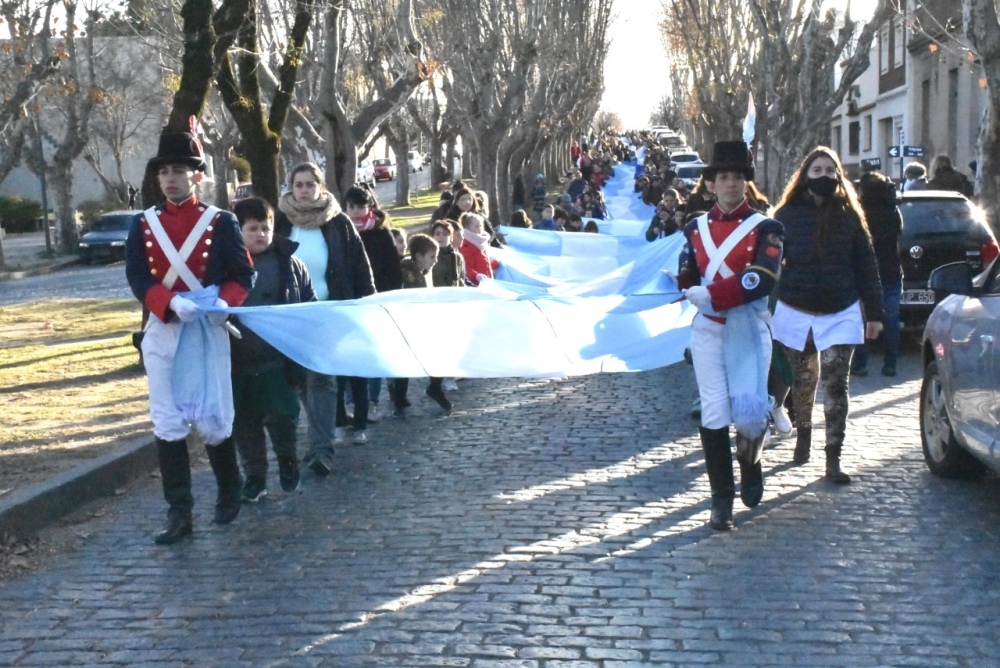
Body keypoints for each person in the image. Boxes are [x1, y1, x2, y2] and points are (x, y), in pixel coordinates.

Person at [125, 124, 255, 544]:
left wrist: (224, 305)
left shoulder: (221, 222)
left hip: (204, 329)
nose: (169, 178)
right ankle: (180, 513)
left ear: (195, 176)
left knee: (214, 417)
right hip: (163, 329)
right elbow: (138, 276)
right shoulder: (143, 224)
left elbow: (242, 274)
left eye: (178, 170)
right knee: (167, 421)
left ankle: (229, 490)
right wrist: (165, 302)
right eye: (164, 172)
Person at [675, 140, 784, 531]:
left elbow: (763, 278)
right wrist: (679, 285)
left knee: (749, 412)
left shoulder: (767, 228)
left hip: (748, 330)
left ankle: (751, 465)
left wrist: (714, 294)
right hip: (708, 331)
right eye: (724, 177)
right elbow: (688, 272)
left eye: (738, 177)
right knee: (715, 410)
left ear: (746, 183)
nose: (731, 184)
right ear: (711, 184)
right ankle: (721, 499)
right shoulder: (694, 229)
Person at [771, 146, 884, 485]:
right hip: (796, 309)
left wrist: (875, 313)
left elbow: (867, 265)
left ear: (838, 176)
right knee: (803, 382)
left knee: (837, 384)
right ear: (805, 175)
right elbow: (770, 264)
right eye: (816, 170)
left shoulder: (850, 215)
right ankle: (803, 432)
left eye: (829, 171)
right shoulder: (786, 216)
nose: (823, 176)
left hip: (841, 309)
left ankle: (833, 456)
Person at [275, 162, 376, 473]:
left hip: (330, 311)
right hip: (290, 316)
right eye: (299, 184)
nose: (304, 190)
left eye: (310, 184)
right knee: (300, 382)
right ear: (291, 187)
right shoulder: (279, 222)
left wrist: (367, 303)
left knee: (323, 380)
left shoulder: (338, 222)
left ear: (321, 187)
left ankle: (322, 449)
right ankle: (313, 441)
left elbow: (359, 265)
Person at [230, 198, 315, 502]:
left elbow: (309, 304)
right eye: (252, 229)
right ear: (237, 231)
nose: (261, 234)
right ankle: (254, 477)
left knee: (282, 417)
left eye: (266, 228)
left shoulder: (288, 265)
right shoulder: (226, 267)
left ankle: (288, 463)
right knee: (245, 423)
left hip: (276, 362)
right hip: (237, 363)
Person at [346, 186, 402, 424]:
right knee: (350, 353)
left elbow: (393, 269)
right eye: (352, 207)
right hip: (349, 301)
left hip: (376, 300)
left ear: (369, 207)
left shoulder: (381, 233)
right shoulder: (342, 231)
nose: (357, 212)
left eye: (361, 207)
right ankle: (350, 402)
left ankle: (372, 401)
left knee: (373, 353)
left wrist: (385, 299)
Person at [390, 233, 452, 417]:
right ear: (418, 257)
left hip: (421, 321)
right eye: (432, 256)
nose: (435, 261)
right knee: (404, 361)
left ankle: (432, 388)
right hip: (408, 323)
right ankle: (400, 399)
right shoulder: (408, 273)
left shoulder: (421, 272)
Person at [853, 170, 903, 377]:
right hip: (891, 272)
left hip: (866, 275)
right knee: (891, 320)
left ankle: (860, 363)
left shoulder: (858, 214)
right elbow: (898, 235)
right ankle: (890, 363)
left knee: (863, 320)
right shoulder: (892, 212)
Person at [459, 212, 498, 286]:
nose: (480, 229)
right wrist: (476, 276)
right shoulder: (466, 245)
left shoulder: (481, 243)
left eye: (481, 226)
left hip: (486, 281)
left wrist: (493, 264)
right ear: (467, 228)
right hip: (475, 284)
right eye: (476, 227)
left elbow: (481, 263)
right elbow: (467, 268)